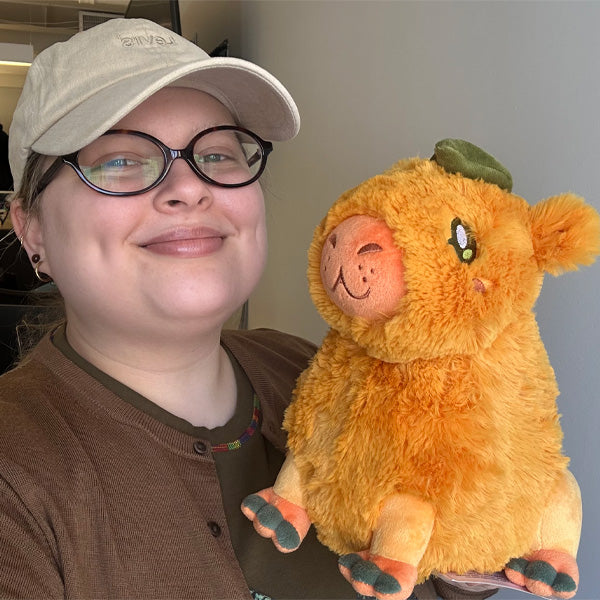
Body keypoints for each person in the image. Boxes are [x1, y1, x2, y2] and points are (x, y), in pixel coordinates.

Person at [1, 18, 497, 600]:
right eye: (120, 160)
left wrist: (465, 558)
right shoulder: (15, 473)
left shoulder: (312, 371)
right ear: (31, 231)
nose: (190, 187)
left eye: (216, 154)